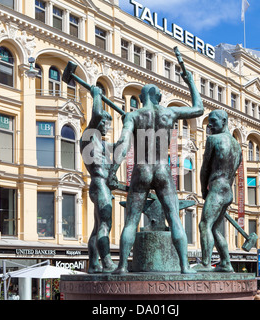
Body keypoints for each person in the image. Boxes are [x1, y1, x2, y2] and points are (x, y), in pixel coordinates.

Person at [108, 70, 204, 274]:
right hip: (162, 169)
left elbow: (122, 145)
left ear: (141, 99)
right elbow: (198, 109)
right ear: (159, 98)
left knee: (131, 221)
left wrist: (113, 171)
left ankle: (123, 266)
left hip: (141, 169)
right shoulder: (169, 113)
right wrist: (191, 82)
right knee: (174, 218)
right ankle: (185, 267)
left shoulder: (133, 116)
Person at [197, 109, 242, 272]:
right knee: (215, 228)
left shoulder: (213, 140)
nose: (210, 125)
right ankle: (226, 263)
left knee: (204, 225)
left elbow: (205, 168)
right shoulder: (237, 145)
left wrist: (203, 188)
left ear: (224, 121)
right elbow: (235, 169)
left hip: (216, 188)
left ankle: (206, 263)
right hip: (228, 191)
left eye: (213, 121)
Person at [81, 86, 117, 274]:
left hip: (103, 184)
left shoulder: (101, 144)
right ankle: (107, 262)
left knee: (97, 227)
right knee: (105, 224)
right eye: (104, 122)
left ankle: (94, 263)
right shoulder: (89, 135)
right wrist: (96, 94)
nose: (105, 127)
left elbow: (115, 158)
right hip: (98, 183)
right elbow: (95, 113)